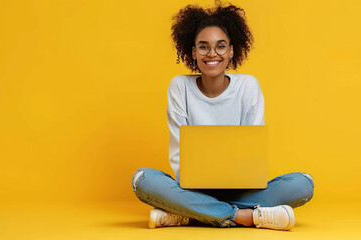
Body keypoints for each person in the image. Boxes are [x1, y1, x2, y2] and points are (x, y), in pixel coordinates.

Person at [131, 2, 315, 230]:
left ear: (231, 51)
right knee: (142, 180)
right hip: (191, 188)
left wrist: (238, 178)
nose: (212, 54)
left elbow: (252, 152)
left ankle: (189, 214)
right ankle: (245, 216)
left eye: (220, 46)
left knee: (303, 184)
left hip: (241, 189)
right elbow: (179, 156)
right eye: (203, 47)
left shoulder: (249, 86)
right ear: (193, 52)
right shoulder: (179, 86)